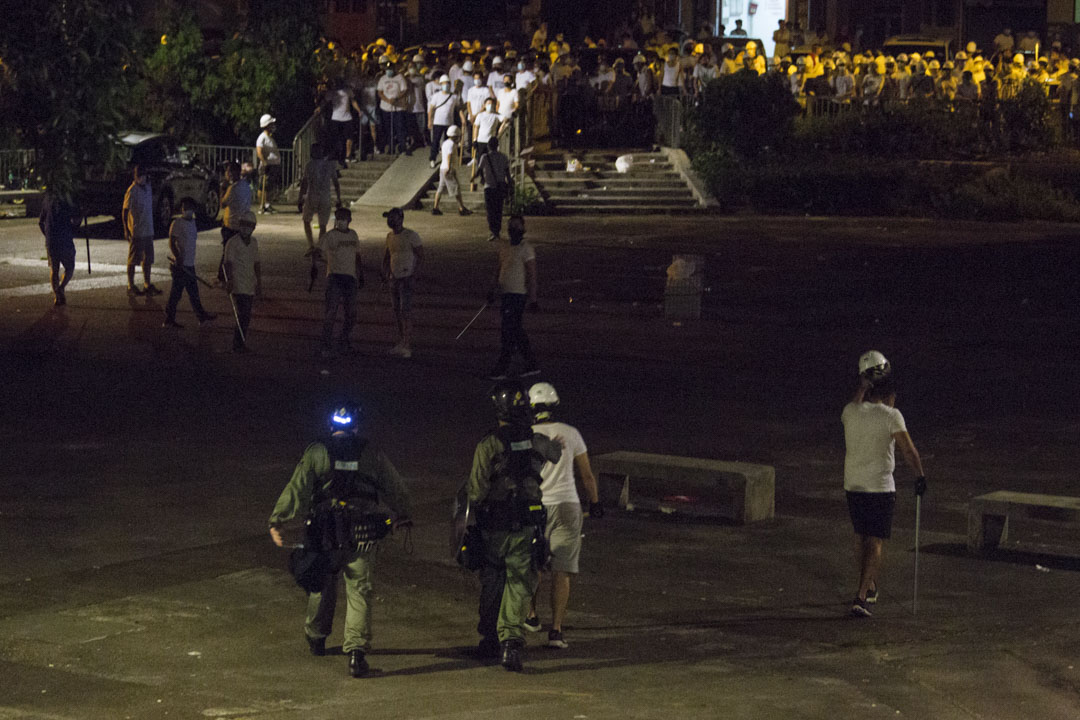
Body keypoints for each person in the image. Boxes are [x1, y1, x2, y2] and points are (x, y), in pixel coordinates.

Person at [269, 403, 412, 678]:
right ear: (357, 426)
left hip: (324, 533)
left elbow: (297, 488)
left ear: (331, 426)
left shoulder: (317, 451)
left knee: (322, 582)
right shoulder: (372, 452)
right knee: (359, 590)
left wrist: (278, 520)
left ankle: (316, 637)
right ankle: (356, 653)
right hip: (363, 533)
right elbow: (395, 488)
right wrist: (404, 514)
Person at [466, 381, 561, 671]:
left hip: (494, 525)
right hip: (526, 525)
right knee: (519, 583)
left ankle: (490, 640)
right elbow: (555, 453)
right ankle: (511, 643)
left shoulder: (489, 443)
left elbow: (476, 489)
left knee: (493, 579)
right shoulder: (535, 440)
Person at [842, 351, 926, 618]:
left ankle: (870, 585)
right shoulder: (892, 416)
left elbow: (856, 403)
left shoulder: (849, 412)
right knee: (875, 542)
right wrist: (920, 476)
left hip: (853, 484)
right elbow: (909, 451)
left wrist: (862, 387)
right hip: (879, 487)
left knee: (860, 537)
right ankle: (861, 597)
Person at [523, 382, 601, 649]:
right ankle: (556, 630)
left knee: (532, 562)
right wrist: (595, 502)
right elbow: (587, 476)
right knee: (562, 570)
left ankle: (531, 616)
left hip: (535, 506)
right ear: (555, 406)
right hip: (567, 505)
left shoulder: (528, 435)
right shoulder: (571, 433)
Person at [487, 215, 538, 379]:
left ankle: (503, 366)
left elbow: (532, 275)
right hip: (505, 294)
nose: (513, 230)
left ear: (523, 229)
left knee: (508, 331)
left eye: (516, 227)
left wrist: (533, 299)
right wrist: (492, 289)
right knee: (516, 330)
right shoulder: (505, 247)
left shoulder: (526, 249)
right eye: (510, 227)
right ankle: (531, 363)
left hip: (518, 295)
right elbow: (499, 269)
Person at [162, 198, 215, 328]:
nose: (187, 210)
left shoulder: (193, 223)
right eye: (185, 207)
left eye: (190, 207)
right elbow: (171, 242)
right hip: (180, 266)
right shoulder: (177, 223)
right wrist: (178, 258)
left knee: (193, 293)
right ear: (181, 209)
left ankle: (201, 317)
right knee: (177, 294)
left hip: (190, 264)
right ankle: (169, 319)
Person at [317, 207, 362, 356]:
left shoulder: (354, 235)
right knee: (331, 312)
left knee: (351, 313)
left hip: (350, 278)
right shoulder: (330, 236)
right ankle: (326, 344)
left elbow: (357, 255)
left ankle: (344, 339)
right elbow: (319, 253)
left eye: (344, 218)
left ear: (349, 220)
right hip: (335, 277)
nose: (341, 221)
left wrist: (360, 274)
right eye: (339, 218)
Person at [381, 207, 422, 358]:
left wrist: (414, 275)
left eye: (392, 217)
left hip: (406, 278)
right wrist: (385, 272)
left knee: (405, 312)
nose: (390, 221)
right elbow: (387, 255)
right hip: (394, 278)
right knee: (397, 311)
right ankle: (402, 341)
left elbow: (420, 255)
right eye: (388, 218)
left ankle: (407, 344)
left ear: (400, 218)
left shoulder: (411, 235)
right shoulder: (389, 236)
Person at [223, 211, 262, 353]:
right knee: (243, 315)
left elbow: (256, 263)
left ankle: (240, 343)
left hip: (250, 283)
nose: (247, 228)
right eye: (244, 224)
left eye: (250, 225)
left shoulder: (254, 243)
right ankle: (238, 344)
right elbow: (228, 263)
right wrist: (230, 280)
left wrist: (259, 284)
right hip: (238, 285)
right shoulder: (232, 243)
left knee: (246, 316)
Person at [122, 165, 160, 297]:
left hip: (148, 230)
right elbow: (125, 210)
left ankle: (147, 284)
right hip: (136, 231)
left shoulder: (148, 188)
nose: (142, 178)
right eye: (139, 175)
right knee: (133, 259)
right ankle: (130, 285)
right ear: (135, 176)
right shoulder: (132, 191)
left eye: (143, 175)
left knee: (148, 259)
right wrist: (126, 229)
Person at [299, 142, 342, 257]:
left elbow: (305, 183)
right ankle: (319, 248)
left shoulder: (310, 165)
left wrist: (300, 198)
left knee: (306, 220)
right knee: (323, 225)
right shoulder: (330, 165)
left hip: (312, 196)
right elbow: (336, 183)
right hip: (325, 197)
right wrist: (339, 198)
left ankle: (311, 245)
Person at [38, 189, 80, 307]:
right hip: (65, 240)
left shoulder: (48, 199)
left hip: (52, 241)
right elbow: (76, 220)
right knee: (70, 268)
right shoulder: (67, 200)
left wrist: (47, 236)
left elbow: (41, 222)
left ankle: (57, 295)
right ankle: (61, 289)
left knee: (54, 269)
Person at [472, 136, 512, 242]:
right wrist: (510, 185)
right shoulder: (504, 157)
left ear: (489, 146)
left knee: (490, 211)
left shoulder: (485, 157)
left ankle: (493, 232)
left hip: (489, 186)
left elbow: (479, 170)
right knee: (498, 210)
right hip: (500, 186)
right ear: (497, 145)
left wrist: (474, 178)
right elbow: (507, 173)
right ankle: (497, 231)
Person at [431, 125, 470, 216]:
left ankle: (435, 207)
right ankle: (461, 208)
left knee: (440, 188)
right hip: (448, 169)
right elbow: (449, 155)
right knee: (456, 188)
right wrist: (449, 167)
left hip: (442, 167)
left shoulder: (445, 143)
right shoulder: (452, 144)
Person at [428, 74, 462, 169]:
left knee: (449, 143)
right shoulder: (436, 96)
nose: (445, 85)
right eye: (444, 83)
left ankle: (447, 159)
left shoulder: (454, 97)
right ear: (441, 84)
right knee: (435, 141)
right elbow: (431, 109)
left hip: (449, 123)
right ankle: (432, 159)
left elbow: (458, 108)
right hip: (438, 122)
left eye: (447, 83)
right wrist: (430, 121)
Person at [377, 60, 409, 155]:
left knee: (400, 127)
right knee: (388, 129)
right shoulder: (382, 79)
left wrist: (397, 98)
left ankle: (402, 147)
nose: (389, 71)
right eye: (388, 69)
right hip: (386, 108)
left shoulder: (400, 78)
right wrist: (387, 100)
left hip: (398, 107)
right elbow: (380, 92)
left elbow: (404, 90)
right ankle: (391, 147)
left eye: (390, 69)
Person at [256, 114, 281, 213]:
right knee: (264, 186)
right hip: (267, 165)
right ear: (267, 125)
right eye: (271, 124)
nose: (273, 126)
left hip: (273, 165)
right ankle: (262, 205)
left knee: (270, 186)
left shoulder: (270, 137)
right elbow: (259, 151)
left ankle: (268, 204)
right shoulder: (262, 138)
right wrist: (264, 161)